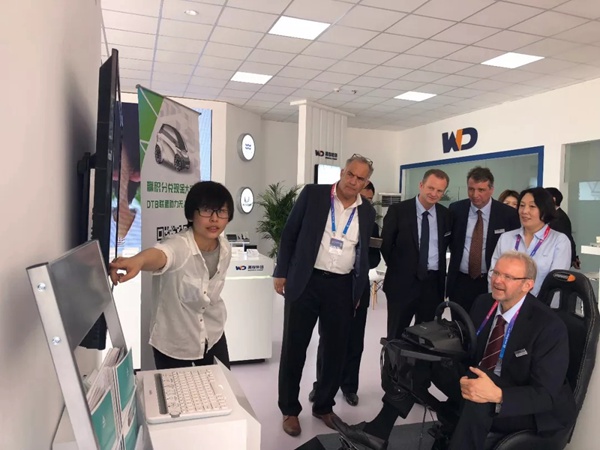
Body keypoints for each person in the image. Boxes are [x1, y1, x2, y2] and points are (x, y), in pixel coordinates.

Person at [333, 251, 576, 450]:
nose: (497, 281)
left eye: (508, 277)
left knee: (479, 399)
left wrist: (497, 394)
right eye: (496, 273)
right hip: (481, 376)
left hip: (524, 403)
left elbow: (545, 395)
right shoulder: (484, 303)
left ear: (527, 285)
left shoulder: (548, 326)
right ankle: (377, 433)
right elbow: (468, 350)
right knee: (418, 358)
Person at [274, 154, 376, 437]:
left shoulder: (367, 211)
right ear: (342, 172)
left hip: (342, 287)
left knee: (335, 350)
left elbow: (362, 253)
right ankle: (289, 410)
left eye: (360, 178)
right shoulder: (313, 194)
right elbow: (290, 233)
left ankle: (323, 405)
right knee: (294, 347)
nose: (353, 181)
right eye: (350, 174)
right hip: (306, 282)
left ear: (366, 182)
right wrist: (281, 272)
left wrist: (358, 289)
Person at [108, 181, 235, 369]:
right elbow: (162, 254)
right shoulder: (179, 245)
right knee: (175, 388)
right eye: (207, 211)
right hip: (175, 340)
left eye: (221, 211)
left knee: (222, 384)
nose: (214, 219)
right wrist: (138, 261)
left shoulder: (225, 249)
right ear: (191, 214)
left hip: (213, 332)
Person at [309, 181, 381, 407]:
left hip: (358, 286)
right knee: (327, 339)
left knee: (354, 340)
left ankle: (349, 387)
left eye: (369, 199)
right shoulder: (333, 217)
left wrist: (360, 257)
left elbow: (375, 258)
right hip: (334, 285)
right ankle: (321, 385)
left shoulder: (372, 225)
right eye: (363, 197)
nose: (365, 202)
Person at [381, 169, 452, 340]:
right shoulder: (398, 211)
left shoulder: (446, 215)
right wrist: (401, 268)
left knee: (426, 337)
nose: (434, 193)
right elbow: (386, 245)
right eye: (430, 188)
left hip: (432, 285)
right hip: (402, 284)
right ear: (421, 185)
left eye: (439, 190)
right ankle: (392, 359)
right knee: (396, 336)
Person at [447, 167, 520, 313]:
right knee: (458, 323)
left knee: (485, 321)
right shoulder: (456, 210)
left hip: (491, 281)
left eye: (481, 190)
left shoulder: (507, 214)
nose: (475, 195)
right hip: (460, 281)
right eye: (471, 189)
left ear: (491, 189)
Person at [490, 187, 571, 296]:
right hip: (505, 303)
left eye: (532, 206)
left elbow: (556, 284)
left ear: (545, 210)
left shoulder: (559, 241)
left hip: (541, 305)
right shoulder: (506, 238)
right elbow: (493, 273)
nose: (524, 211)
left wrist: (534, 305)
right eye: (522, 205)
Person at [545, 187, 580, 269]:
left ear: (553, 200)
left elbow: (567, 238)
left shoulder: (559, 218)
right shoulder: (553, 216)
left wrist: (573, 257)